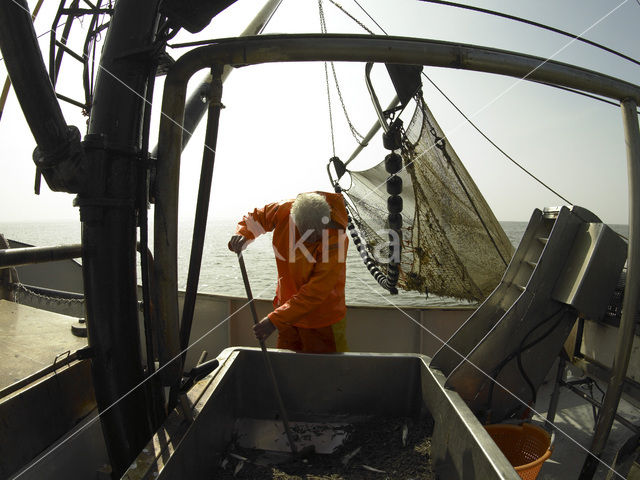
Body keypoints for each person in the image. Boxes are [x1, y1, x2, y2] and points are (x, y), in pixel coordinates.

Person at [228, 191, 349, 353]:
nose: (313, 238)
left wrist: (274, 321)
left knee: (325, 373)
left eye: (318, 232)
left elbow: (316, 291)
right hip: (286, 318)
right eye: (307, 232)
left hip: (321, 321)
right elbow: (257, 218)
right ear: (294, 220)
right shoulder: (284, 210)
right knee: (285, 367)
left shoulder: (337, 240)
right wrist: (243, 235)